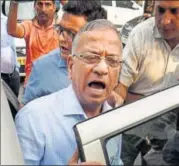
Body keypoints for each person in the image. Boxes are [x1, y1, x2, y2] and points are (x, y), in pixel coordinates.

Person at [15, 19, 123, 165]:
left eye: (112, 60)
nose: (102, 69)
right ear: (71, 66)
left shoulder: (116, 121)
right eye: (91, 57)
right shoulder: (33, 119)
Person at [22, 0, 107, 105]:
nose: (61, 38)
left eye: (71, 34)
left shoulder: (111, 67)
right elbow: (25, 112)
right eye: (61, 30)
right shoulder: (42, 68)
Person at [114, 0, 179, 104]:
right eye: (160, 10)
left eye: (175, 11)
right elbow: (120, 88)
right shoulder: (140, 35)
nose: (165, 21)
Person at [7, 0, 59, 84]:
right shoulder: (29, 26)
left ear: (54, 7)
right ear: (34, 6)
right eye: (40, 4)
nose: (43, 9)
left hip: (55, 83)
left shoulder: (60, 27)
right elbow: (12, 31)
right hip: (32, 83)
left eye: (48, 4)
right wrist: (14, 3)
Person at [1, 11, 20, 97]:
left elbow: (12, 46)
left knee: (14, 106)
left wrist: (17, 69)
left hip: (13, 75)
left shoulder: (6, 21)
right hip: (1, 77)